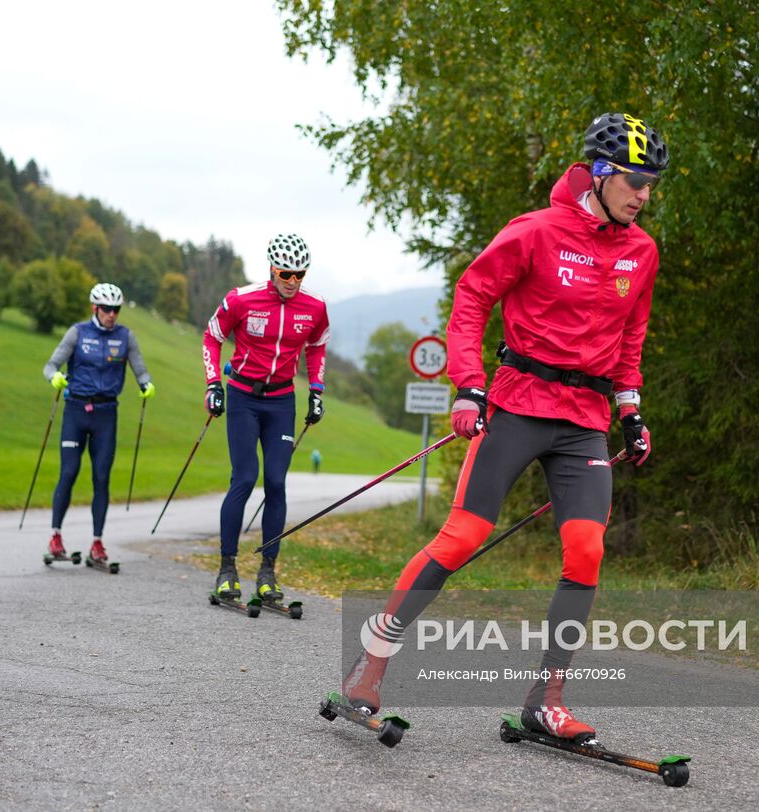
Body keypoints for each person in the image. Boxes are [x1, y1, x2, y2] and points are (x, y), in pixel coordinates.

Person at [340, 113, 669, 741]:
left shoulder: (641, 251)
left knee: (587, 549)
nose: (645, 194)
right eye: (637, 181)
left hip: (584, 422)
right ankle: (371, 664)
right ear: (601, 174)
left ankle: (545, 702)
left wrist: (631, 411)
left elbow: (631, 339)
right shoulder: (536, 232)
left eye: (652, 184)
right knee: (462, 537)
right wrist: (468, 385)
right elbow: (471, 297)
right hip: (517, 404)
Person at [202, 233, 329, 602]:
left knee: (276, 482)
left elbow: (317, 348)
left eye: (299, 274)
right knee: (244, 478)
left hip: (281, 402)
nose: (292, 282)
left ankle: (268, 573)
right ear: (272, 268)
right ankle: (227, 569)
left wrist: (317, 390)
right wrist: (214, 385)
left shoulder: (315, 307)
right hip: (243, 396)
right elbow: (212, 338)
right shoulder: (240, 299)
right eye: (286, 273)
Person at [42, 283, 155, 564]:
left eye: (116, 309)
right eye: (107, 309)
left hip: (106, 413)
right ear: (95, 308)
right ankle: (55, 536)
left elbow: (140, 368)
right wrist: (54, 377)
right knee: (69, 472)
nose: (112, 315)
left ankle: (97, 543)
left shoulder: (125, 337)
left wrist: (146, 384)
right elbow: (50, 366)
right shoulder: (78, 332)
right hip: (76, 410)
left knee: (101, 478)